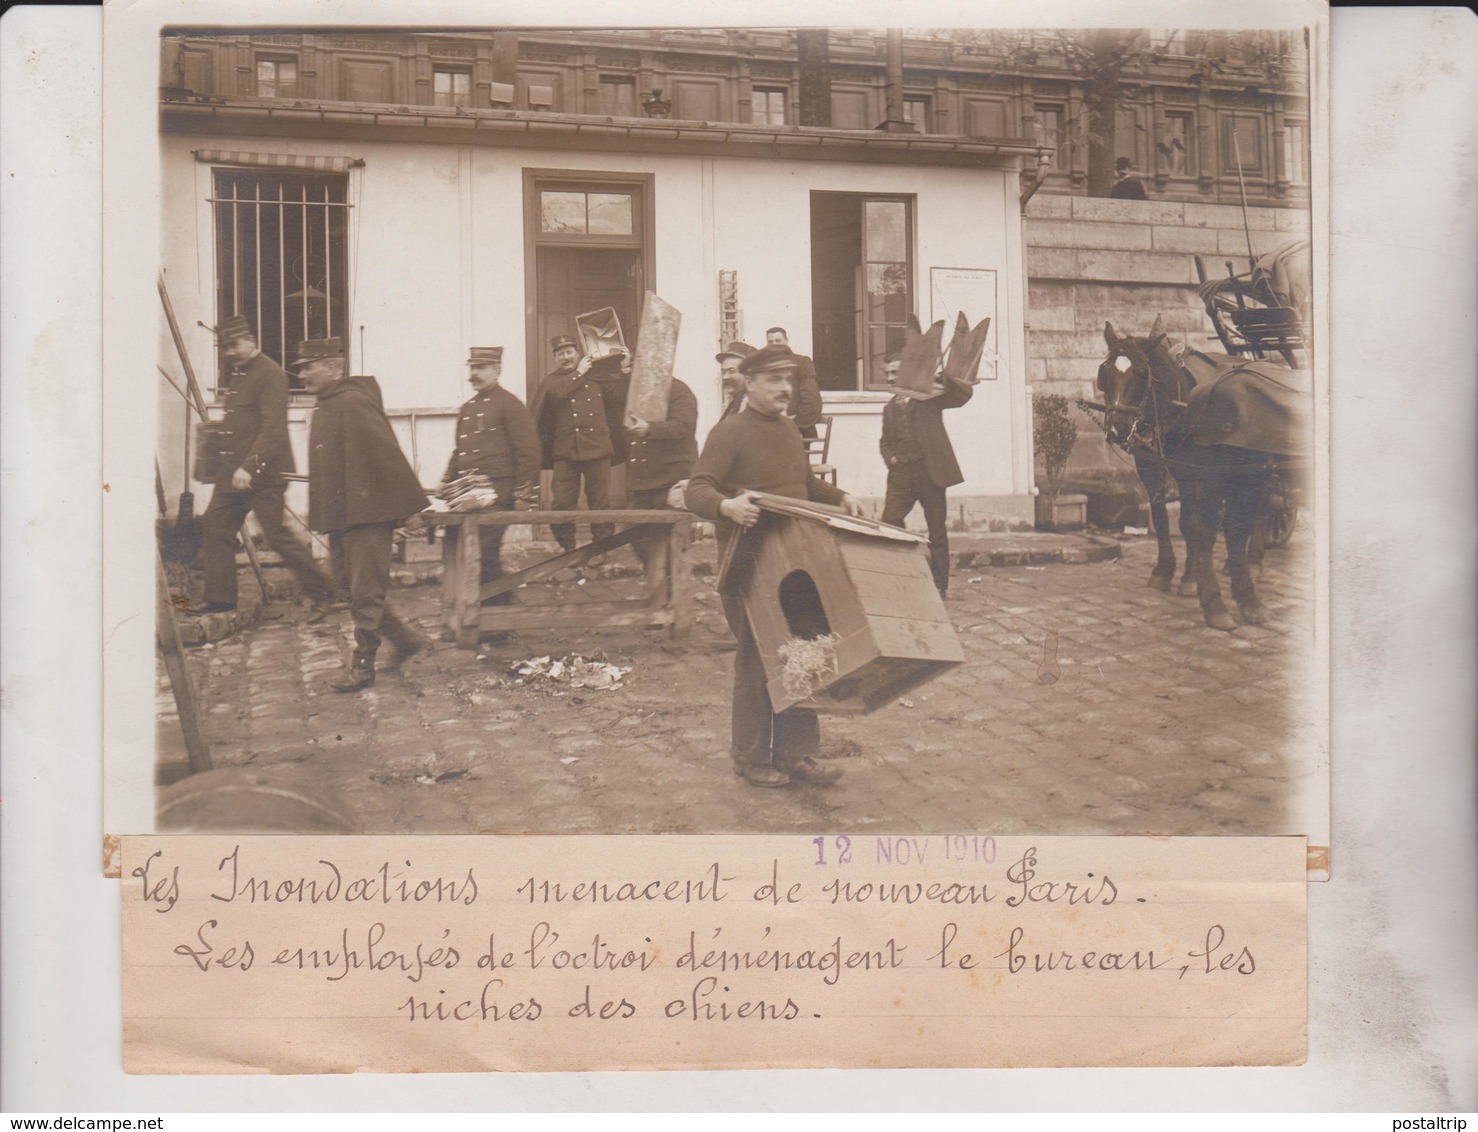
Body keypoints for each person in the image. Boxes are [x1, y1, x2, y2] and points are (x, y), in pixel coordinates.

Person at [685, 344, 867, 789]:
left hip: (797, 566)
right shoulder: (729, 432)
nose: (785, 389)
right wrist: (726, 506)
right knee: (755, 663)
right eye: (774, 380)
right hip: (747, 567)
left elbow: (801, 483)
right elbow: (696, 489)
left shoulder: (787, 429)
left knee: (802, 655)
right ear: (749, 383)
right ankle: (749, 758)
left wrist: (840, 498)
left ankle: (797, 754)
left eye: (788, 380)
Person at [295, 337, 430, 693]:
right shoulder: (327, 404)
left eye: (309, 366)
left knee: (365, 592)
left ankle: (362, 667)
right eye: (302, 368)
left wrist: (411, 509)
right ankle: (404, 640)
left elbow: (387, 453)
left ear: (333, 368)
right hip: (344, 516)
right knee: (347, 587)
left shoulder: (352, 402)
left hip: (368, 515)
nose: (303, 375)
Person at [195, 314, 340, 615]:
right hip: (232, 475)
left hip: (262, 475)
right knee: (215, 528)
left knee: (277, 536)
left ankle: (326, 591)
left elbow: (273, 429)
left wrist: (249, 467)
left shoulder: (270, 374)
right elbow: (242, 424)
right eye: (224, 348)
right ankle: (220, 600)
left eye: (233, 345)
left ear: (251, 340)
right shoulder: (239, 374)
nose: (229, 353)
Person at [441, 346, 540, 608]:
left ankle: (496, 617)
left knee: (484, 553)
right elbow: (459, 451)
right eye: (472, 368)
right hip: (467, 495)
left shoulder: (509, 404)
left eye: (481, 368)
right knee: (459, 550)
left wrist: (523, 494)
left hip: (498, 495)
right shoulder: (468, 408)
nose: (474, 374)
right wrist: (446, 480)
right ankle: (468, 612)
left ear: (497, 371)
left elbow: (528, 452)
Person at [879, 353, 974, 596]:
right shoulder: (889, 408)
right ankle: (900, 575)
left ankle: (939, 585)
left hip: (930, 474)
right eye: (887, 373)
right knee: (890, 523)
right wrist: (892, 459)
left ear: (907, 373)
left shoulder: (930, 398)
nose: (890, 378)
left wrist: (942, 376)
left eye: (895, 373)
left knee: (936, 530)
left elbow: (962, 396)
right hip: (901, 476)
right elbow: (885, 441)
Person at [532, 335, 629, 557]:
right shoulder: (552, 381)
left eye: (569, 352)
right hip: (566, 452)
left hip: (598, 450)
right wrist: (579, 373)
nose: (566, 357)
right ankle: (568, 551)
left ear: (578, 353)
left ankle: (601, 551)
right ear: (555, 358)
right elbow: (556, 395)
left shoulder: (597, 377)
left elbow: (619, 398)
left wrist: (623, 371)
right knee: (562, 505)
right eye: (560, 354)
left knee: (600, 503)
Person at [624, 375, 698, 573]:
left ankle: (671, 590)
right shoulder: (637, 391)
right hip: (642, 481)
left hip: (670, 478)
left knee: (671, 536)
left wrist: (650, 428)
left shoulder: (679, 390)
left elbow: (684, 426)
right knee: (634, 531)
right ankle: (659, 580)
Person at [762, 326, 823, 436]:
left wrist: (796, 422)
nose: (774, 344)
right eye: (770, 342)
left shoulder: (802, 362)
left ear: (786, 341)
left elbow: (811, 398)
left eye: (778, 341)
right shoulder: (765, 367)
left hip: (798, 428)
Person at [715, 340, 756, 421]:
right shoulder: (729, 404)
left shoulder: (757, 406)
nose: (725, 377)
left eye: (731, 371)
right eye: (723, 372)